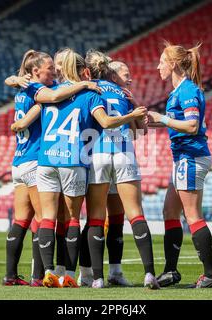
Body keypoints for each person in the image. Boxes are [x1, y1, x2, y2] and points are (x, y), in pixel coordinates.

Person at [31, 48, 147, 288]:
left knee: (54, 218)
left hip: (50, 159)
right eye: (124, 73)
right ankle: (75, 275)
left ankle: (51, 272)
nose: (57, 68)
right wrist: (134, 113)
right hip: (79, 159)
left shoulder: (49, 91)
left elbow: (43, 101)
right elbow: (119, 125)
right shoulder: (91, 93)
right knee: (78, 218)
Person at [4, 49, 100, 286]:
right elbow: (53, 98)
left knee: (22, 220)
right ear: (35, 71)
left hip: (19, 160)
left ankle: (11, 275)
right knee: (50, 218)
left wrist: (16, 79)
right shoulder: (42, 91)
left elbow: (19, 89)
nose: (55, 71)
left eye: (57, 66)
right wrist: (84, 84)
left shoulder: (25, 88)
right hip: (40, 158)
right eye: (50, 67)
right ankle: (43, 275)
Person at [147, 41, 212, 288]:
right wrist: (150, 121)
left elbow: (191, 126)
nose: (158, 66)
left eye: (161, 61)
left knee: (192, 216)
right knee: (169, 212)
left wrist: (163, 119)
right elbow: (180, 123)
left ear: (173, 64)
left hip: (190, 158)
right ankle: (171, 271)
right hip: (183, 158)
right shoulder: (179, 91)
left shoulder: (187, 90)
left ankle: (211, 274)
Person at [83, 49, 159, 289]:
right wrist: (134, 108)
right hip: (124, 153)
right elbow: (139, 131)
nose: (130, 77)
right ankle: (148, 274)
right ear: (112, 74)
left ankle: (97, 278)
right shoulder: (121, 94)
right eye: (125, 73)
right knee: (133, 214)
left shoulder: (86, 88)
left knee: (96, 217)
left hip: (99, 154)